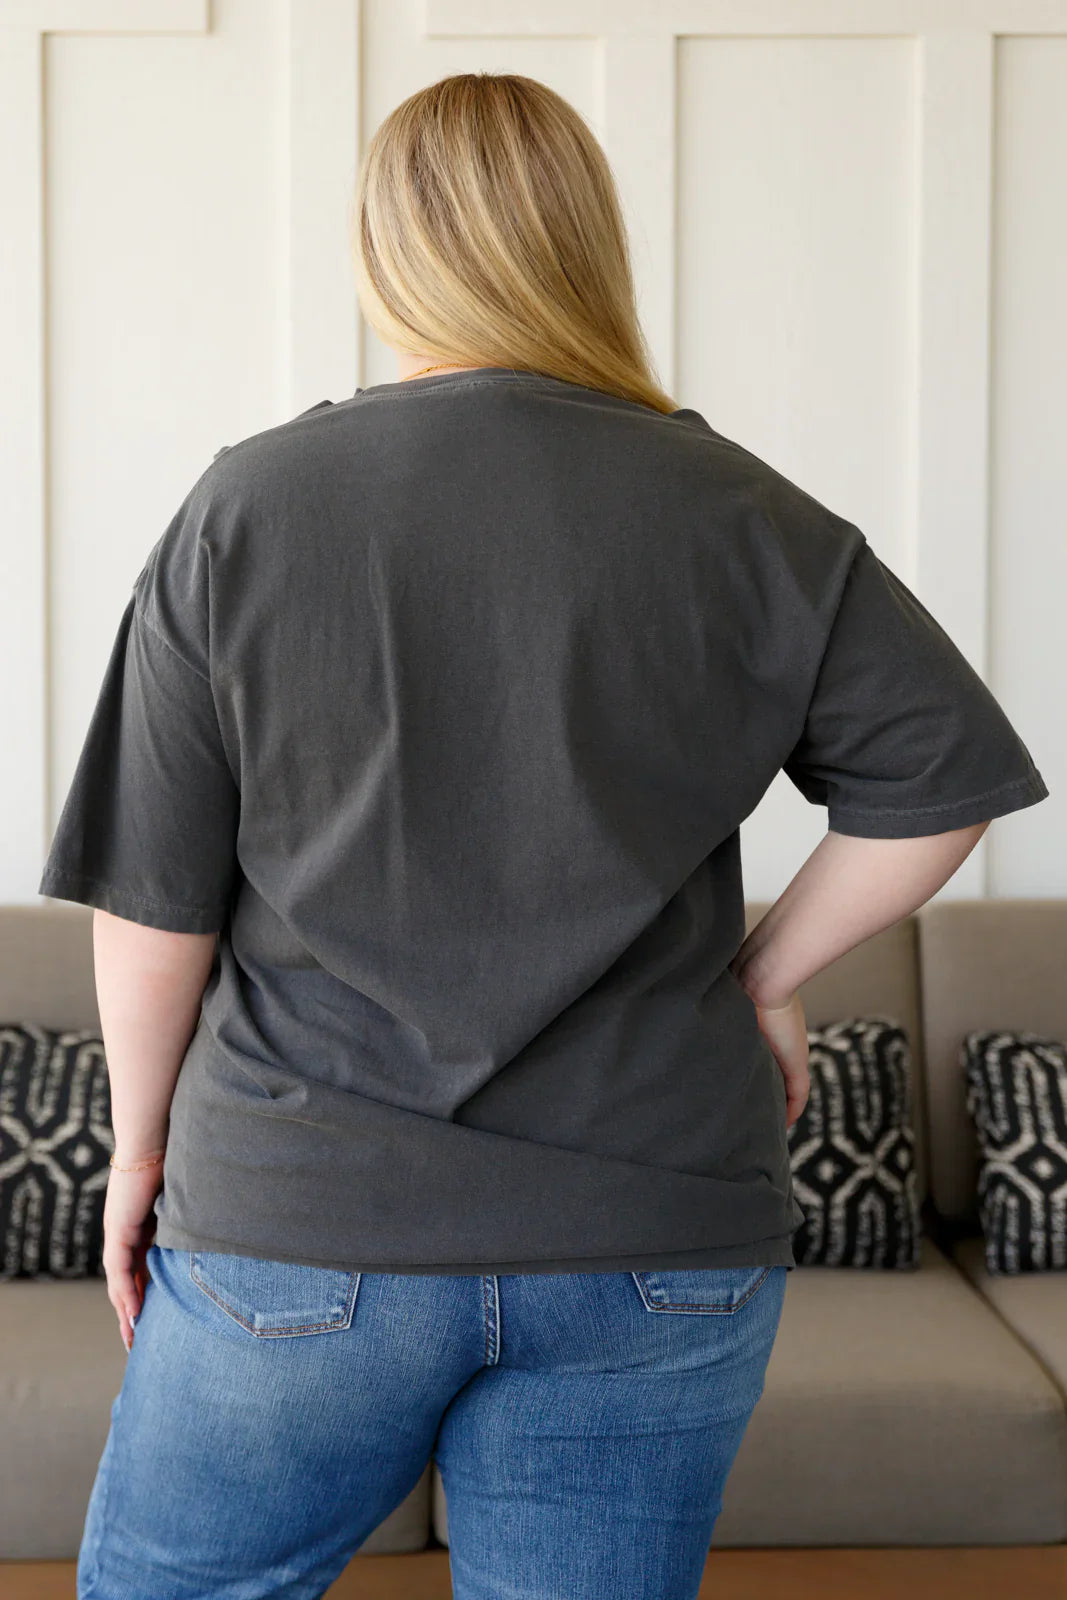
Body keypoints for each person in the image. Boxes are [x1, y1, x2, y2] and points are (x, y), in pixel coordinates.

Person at [38, 71, 1047, 1600]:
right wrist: (764, 974)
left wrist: (136, 1153)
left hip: (303, 1221)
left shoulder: (251, 506)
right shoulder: (741, 512)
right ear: (589, 244)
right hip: (656, 1232)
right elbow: (942, 787)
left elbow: (155, 899)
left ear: (387, 253)